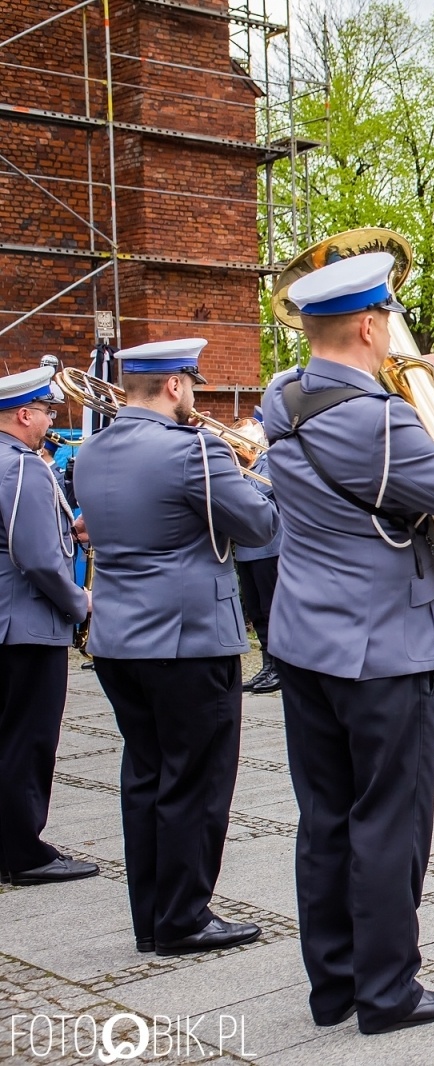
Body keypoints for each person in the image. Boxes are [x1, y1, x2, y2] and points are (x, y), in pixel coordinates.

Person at [262, 252, 434, 1033]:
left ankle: (332, 985)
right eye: (389, 324)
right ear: (370, 325)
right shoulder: (376, 418)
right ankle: (389, 991)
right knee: (389, 821)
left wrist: (407, 376)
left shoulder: (281, 394)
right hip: (381, 647)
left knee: (325, 817)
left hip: (303, 639)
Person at [74, 339, 278, 954]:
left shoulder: (91, 451)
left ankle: (152, 917)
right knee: (196, 780)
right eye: (191, 381)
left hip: (117, 639)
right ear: (173, 386)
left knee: (145, 775)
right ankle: (185, 917)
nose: (194, 393)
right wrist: (260, 472)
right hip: (187, 639)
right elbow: (261, 524)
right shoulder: (195, 450)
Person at [0, 367, 94, 887]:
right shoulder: (22, 467)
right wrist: (78, 602)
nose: (49, 421)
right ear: (23, 414)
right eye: (45, 412)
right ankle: (24, 852)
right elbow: (36, 557)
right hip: (26, 623)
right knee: (28, 739)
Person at [236, 408, 282, 695]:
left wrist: (238, 474)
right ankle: (267, 664)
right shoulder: (241, 464)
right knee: (257, 611)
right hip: (246, 549)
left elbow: (260, 493)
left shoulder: (271, 460)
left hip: (270, 548)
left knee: (271, 608)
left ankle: (279, 667)